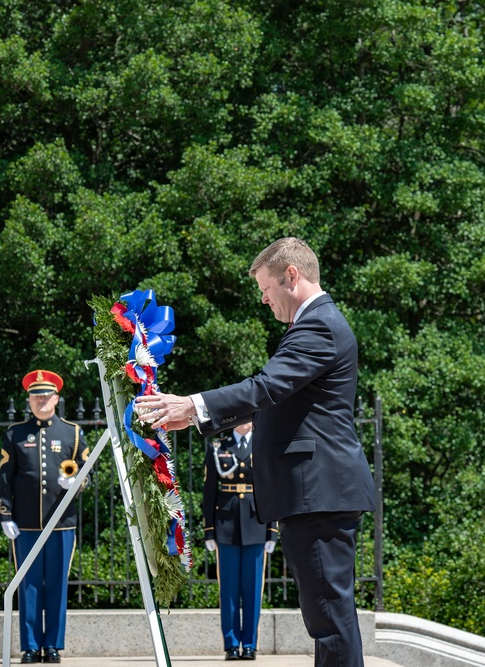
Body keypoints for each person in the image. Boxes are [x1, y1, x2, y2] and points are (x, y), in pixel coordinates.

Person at [135, 237, 376, 667]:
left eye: (266, 289)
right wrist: (195, 419)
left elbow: (266, 387)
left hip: (319, 493)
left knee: (330, 619)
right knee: (326, 617)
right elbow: (273, 401)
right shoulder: (312, 324)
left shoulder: (317, 325)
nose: (264, 300)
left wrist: (192, 404)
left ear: (292, 276)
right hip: (315, 492)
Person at [0, 370, 89, 664]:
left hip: (62, 524)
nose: (41, 400)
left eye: (46, 396)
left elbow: (85, 473)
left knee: (57, 584)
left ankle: (52, 646)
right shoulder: (15, 434)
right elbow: (4, 478)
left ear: (56, 398)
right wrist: (4, 514)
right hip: (24, 524)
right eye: (36, 396)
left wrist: (75, 484)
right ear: (29, 400)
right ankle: (30, 646)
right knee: (29, 585)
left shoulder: (72, 433)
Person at [203, 422, 279, 660]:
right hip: (226, 524)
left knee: (253, 589)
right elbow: (209, 491)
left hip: (256, 523)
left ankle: (249, 644)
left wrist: (272, 530)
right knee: (228, 590)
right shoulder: (218, 447)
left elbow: (272, 490)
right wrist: (209, 530)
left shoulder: (263, 446)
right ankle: (231, 644)